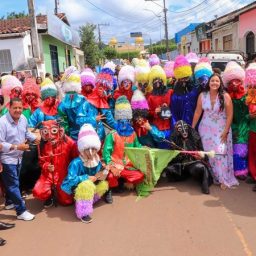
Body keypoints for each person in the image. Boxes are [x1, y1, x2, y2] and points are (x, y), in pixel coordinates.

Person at [192, 73, 238, 189]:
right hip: (205, 130)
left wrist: (226, 131)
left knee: (220, 152)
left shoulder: (225, 96)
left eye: (217, 81)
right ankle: (211, 176)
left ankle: (223, 179)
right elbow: (198, 112)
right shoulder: (202, 95)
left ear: (220, 83)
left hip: (221, 130)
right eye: (212, 81)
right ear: (209, 82)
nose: (214, 83)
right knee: (208, 154)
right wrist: (192, 128)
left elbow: (230, 115)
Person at [0, 98, 40, 220]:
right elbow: (0, 144)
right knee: (13, 184)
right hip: (7, 158)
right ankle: (21, 211)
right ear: (9, 108)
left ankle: (8, 202)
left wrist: (34, 138)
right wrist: (18, 147)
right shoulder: (2, 122)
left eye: (20, 108)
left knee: (13, 181)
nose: (18, 110)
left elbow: (26, 133)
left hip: (19, 157)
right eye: (15, 108)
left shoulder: (23, 118)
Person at [61, 124, 109, 223]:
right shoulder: (76, 162)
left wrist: (104, 170)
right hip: (76, 186)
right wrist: (86, 177)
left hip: (91, 183)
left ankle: (87, 200)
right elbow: (69, 180)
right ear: (82, 149)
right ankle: (83, 212)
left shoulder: (97, 159)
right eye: (88, 149)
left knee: (104, 184)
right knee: (86, 186)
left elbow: (99, 175)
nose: (91, 152)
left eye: (94, 149)